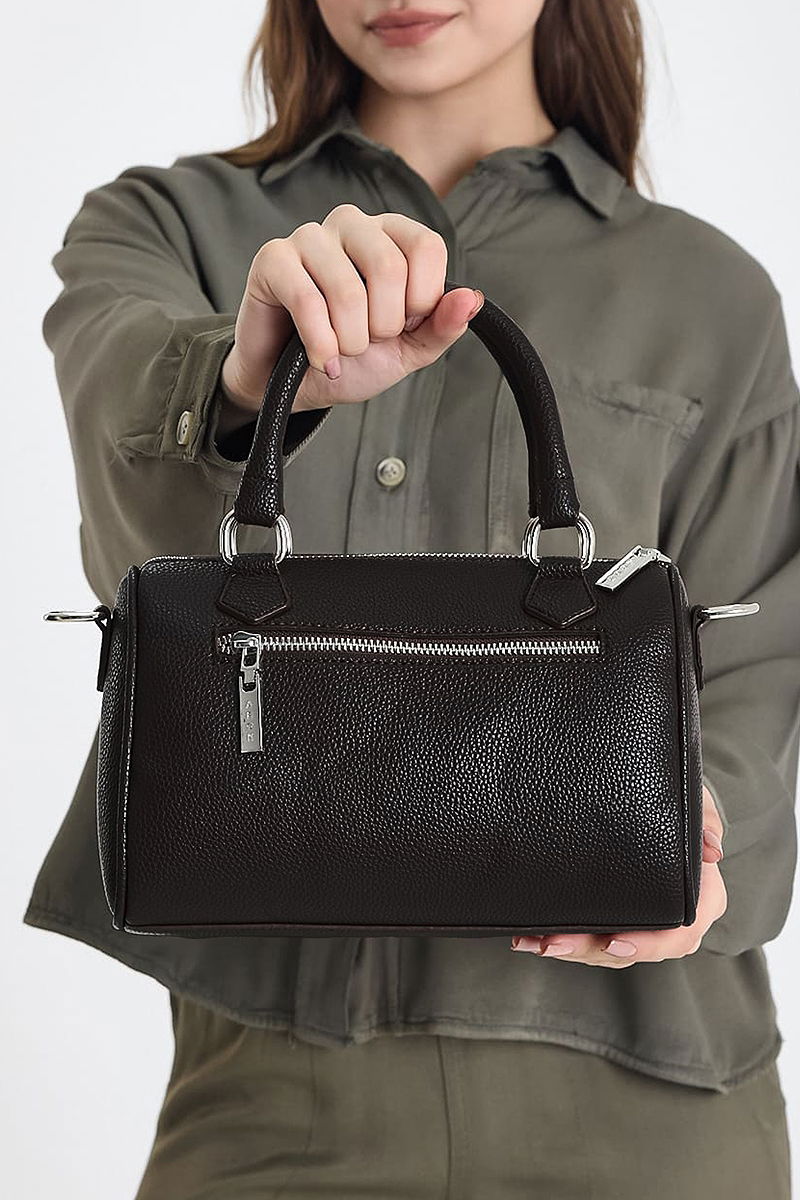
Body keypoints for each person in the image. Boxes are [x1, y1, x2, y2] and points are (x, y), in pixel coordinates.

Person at [25, 1, 799, 1196]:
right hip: (268, 1101)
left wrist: (696, 830)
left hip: (649, 1092)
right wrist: (246, 375)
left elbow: (757, 658)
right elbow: (134, 533)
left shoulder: (707, 291)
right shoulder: (164, 225)